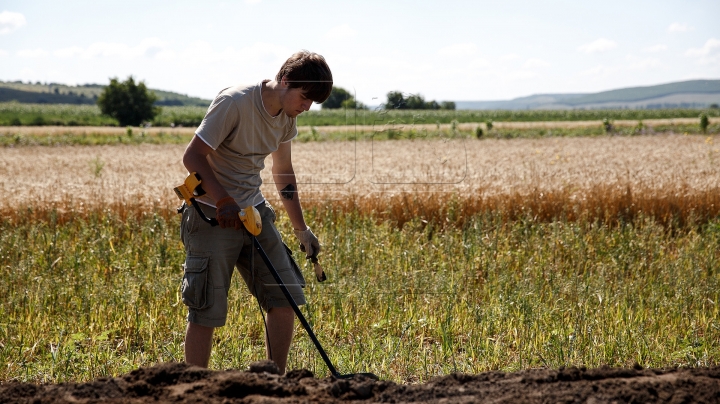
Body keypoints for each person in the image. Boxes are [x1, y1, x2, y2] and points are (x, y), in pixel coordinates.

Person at [179, 50, 332, 374]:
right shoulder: (235, 102)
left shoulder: (287, 118)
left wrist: (301, 229)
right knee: (206, 309)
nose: (305, 108)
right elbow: (192, 157)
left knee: (286, 297)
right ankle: (193, 388)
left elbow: (283, 172)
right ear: (286, 80)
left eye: (311, 104)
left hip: (253, 212)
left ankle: (272, 382)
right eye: (304, 98)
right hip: (211, 215)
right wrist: (223, 201)